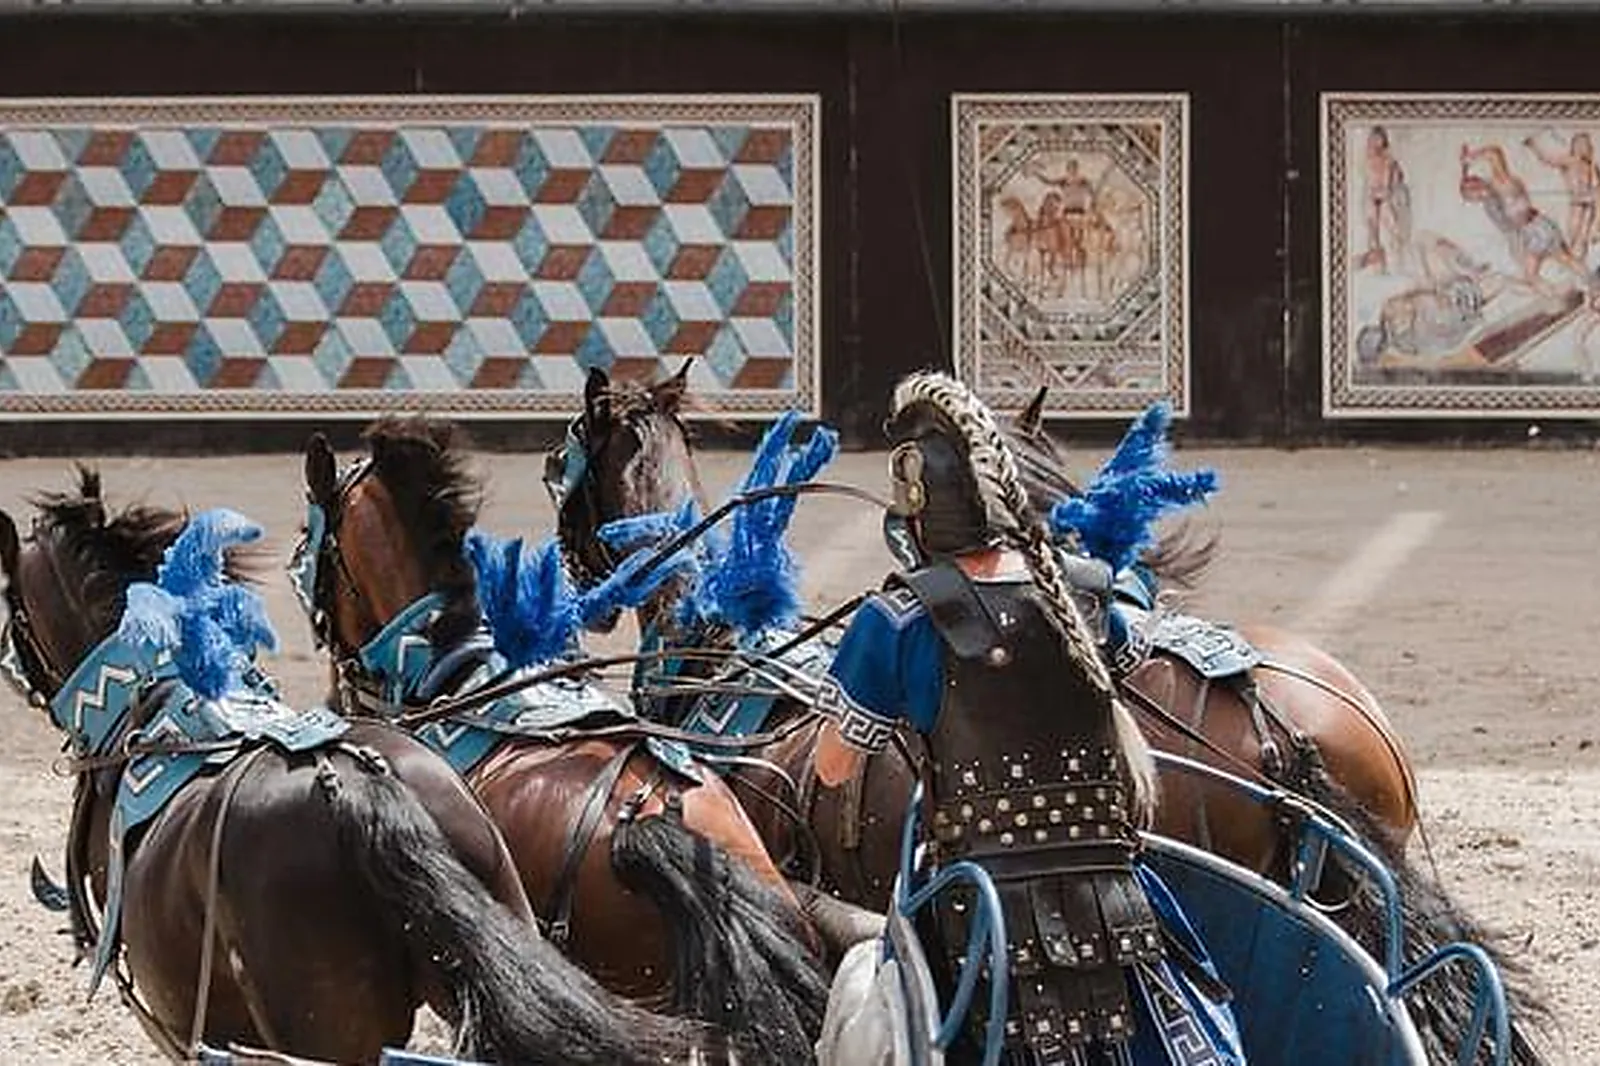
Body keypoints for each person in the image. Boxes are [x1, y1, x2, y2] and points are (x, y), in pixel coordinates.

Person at [814, 370, 1245, 1066]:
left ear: (916, 514)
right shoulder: (1088, 593)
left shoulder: (895, 620)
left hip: (975, 921)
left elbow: (834, 769)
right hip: (1114, 909)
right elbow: (1131, 664)